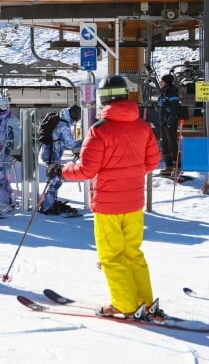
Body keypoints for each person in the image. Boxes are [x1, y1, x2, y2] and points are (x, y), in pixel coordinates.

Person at [61, 75, 161, 320]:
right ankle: (145, 301)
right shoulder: (143, 127)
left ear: (104, 97)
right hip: (134, 202)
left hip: (108, 204)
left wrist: (61, 171)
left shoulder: (100, 131)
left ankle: (124, 304)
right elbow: (153, 162)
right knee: (133, 253)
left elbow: (86, 170)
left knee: (111, 256)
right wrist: (130, 173)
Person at [39, 105, 82, 216]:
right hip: (52, 154)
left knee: (55, 179)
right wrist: (82, 142)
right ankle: (47, 206)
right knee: (56, 180)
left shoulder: (60, 119)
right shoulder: (63, 125)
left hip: (49, 153)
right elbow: (70, 143)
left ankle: (51, 202)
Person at [156, 74, 181, 175]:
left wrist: (169, 121)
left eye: (162, 81)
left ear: (166, 82)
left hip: (169, 122)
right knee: (164, 144)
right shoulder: (163, 91)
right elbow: (160, 103)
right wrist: (160, 103)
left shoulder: (172, 91)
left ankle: (176, 166)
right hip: (163, 122)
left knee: (171, 144)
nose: (160, 83)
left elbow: (174, 109)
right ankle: (168, 165)